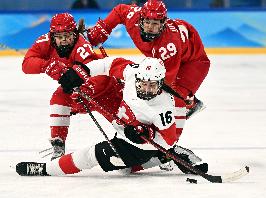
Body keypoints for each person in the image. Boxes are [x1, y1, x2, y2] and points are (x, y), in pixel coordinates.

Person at [16, 57, 207, 176]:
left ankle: (44, 170)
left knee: (91, 155)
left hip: (137, 144)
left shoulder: (164, 107)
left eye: (152, 85)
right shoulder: (132, 73)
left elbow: (169, 140)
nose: (147, 89)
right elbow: (109, 64)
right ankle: (163, 158)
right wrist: (82, 72)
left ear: (160, 83)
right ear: (138, 77)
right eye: (143, 84)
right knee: (124, 169)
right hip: (122, 131)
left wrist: (146, 134)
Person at [86, 0, 210, 170]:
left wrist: (134, 88)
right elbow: (120, 10)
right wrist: (101, 31)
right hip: (173, 54)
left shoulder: (169, 47)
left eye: (156, 23)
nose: (151, 27)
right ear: (140, 19)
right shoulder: (133, 18)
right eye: (148, 22)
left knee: (176, 100)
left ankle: (169, 150)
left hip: (193, 63)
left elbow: (165, 87)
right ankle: (191, 102)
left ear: (163, 24)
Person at [22, 13, 120, 160]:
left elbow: (94, 74)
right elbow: (26, 64)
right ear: (52, 36)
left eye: (68, 36)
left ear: (75, 34)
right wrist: (47, 65)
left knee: (125, 123)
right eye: (59, 37)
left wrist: (83, 87)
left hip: (104, 90)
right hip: (78, 91)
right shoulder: (44, 41)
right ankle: (58, 145)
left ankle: (157, 150)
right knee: (59, 98)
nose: (64, 41)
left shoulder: (82, 47)